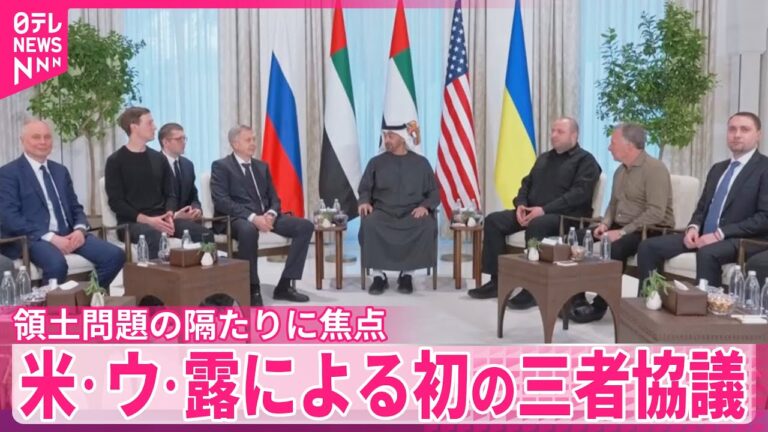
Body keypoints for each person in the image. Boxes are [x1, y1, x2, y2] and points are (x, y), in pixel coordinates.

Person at [468, 117, 602, 308]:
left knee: (537, 225)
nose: (553, 135)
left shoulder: (586, 161)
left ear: (574, 135)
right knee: (493, 220)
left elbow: (579, 195)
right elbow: (526, 183)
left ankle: (532, 289)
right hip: (533, 211)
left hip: (565, 217)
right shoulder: (544, 158)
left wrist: (544, 210)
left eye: (560, 132)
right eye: (553, 130)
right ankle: (497, 281)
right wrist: (521, 205)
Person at [639, 112, 768, 289]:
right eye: (732, 129)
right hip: (704, 235)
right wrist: (693, 227)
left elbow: (764, 218)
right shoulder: (718, 169)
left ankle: (706, 305)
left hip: (741, 239)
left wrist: (719, 234)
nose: (737, 134)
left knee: (708, 253)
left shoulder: (764, 168)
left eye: (744, 129)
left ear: (758, 135)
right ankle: (650, 298)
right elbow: (702, 208)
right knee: (648, 247)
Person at [572, 123, 675, 323]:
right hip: (621, 226)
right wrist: (605, 224)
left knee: (615, 247)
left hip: (650, 229)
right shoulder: (620, 171)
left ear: (629, 145)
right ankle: (576, 299)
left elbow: (656, 212)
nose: (609, 147)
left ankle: (599, 305)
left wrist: (621, 232)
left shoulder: (655, 169)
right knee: (578, 237)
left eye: (613, 142)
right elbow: (613, 204)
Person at [0, 119, 124, 286]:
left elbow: (75, 207)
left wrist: (80, 229)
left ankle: (85, 296)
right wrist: (51, 238)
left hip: (70, 233)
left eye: (47, 137)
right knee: (56, 265)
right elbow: (10, 218)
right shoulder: (8, 173)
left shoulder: (60, 171)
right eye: (36, 137)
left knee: (115, 256)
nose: (43, 142)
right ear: (22, 141)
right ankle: (50, 303)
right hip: (34, 237)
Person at [210, 125, 313, 306]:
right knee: (249, 230)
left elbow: (274, 198)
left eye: (254, 139)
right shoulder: (221, 166)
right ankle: (251, 288)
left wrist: (271, 213)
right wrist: (253, 218)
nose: (253, 143)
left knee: (305, 226)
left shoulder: (261, 166)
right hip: (237, 218)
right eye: (248, 140)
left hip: (266, 215)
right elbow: (222, 201)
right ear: (235, 144)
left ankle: (285, 285)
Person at [105, 107, 209, 258]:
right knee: (155, 236)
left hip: (162, 218)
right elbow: (116, 203)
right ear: (134, 127)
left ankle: (204, 272)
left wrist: (169, 214)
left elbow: (170, 194)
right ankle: (159, 274)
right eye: (149, 123)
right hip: (132, 223)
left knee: (204, 234)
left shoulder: (158, 158)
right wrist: (148, 220)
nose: (154, 127)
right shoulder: (115, 161)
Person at [358, 122, 440, 295]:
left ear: (402, 138)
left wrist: (424, 206)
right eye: (385, 136)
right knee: (370, 223)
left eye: (390, 136)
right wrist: (364, 201)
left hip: (411, 212)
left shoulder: (421, 163)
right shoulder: (375, 162)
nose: (386, 140)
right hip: (383, 212)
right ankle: (379, 276)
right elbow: (365, 188)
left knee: (426, 223)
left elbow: (434, 193)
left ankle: (407, 275)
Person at [158, 122, 203, 218]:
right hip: (164, 219)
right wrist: (174, 215)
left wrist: (196, 209)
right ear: (165, 142)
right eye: (179, 139)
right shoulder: (155, 164)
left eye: (184, 138)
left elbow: (193, 196)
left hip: (187, 219)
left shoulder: (188, 165)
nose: (183, 142)